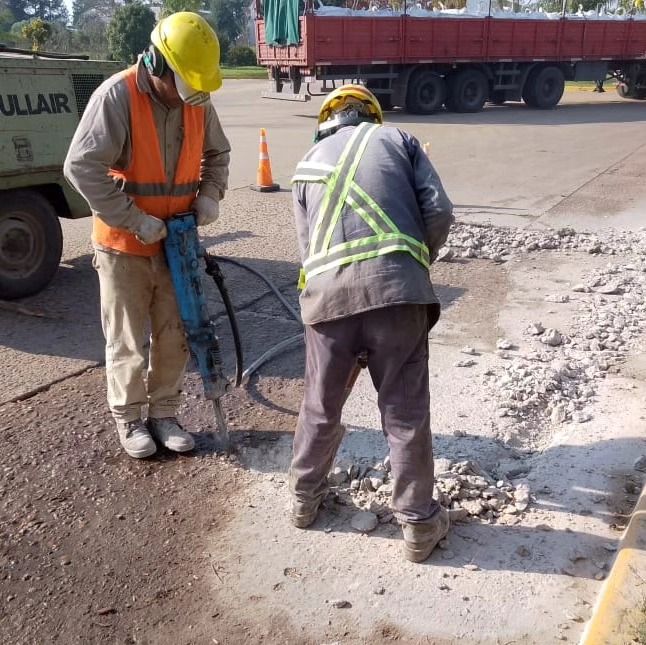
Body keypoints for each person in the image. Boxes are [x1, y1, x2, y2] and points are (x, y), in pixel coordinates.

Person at [289, 84, 455, 563]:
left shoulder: (307, 165)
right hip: (397, 296)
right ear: (371, 117)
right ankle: (419, 526)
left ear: (327, 122)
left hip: (326, 302)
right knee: (403, 411)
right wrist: (412, 263)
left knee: (320, 406)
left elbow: (308, 254)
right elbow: (439, 210)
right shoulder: (400, 141)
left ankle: (304, 501)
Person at [64, 12, 231, 459]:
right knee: (127, 339)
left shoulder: (195, 97)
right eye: (185, 85)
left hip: (177, 242)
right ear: (158, 65)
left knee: (175, 333)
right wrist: (132, 219)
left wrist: (210, 196)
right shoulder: (117, 96)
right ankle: (130, 418)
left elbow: (218, 153)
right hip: (124, 245)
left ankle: (165, 413)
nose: (191, 97)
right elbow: (81, 167)